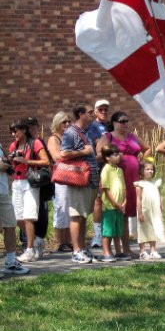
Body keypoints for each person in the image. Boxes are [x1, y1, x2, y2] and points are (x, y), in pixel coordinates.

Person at [97, 111, 151, 258]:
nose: (125, 124)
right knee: (117, 213)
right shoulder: (107, 137)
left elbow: (147, 148)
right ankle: (116, 250)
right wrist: (114, 157)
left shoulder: (132, 136)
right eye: (122, 121)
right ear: (114, 123)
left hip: (132, 177)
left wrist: (142, 164)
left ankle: (125, 249)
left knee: (126, 214)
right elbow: (99, 155)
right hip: (115, 178)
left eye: (127, 121)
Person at [60, 103, 100, 264]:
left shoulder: (85, 132)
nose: (93, 115)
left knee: (83, 216)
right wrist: (84, 152)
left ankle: (83, 249)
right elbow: (64, 153)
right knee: (76, 216)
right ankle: (76, 251)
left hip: (89, 180)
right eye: (90, 112)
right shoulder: (71, 132)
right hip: (78, 180)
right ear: (81, 114)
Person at [9, 118, 51, 262]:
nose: (13, 134)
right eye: (11, 131)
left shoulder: (35, 143)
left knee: (29, 217)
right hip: (17, 182)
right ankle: (37, 241)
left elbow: (46, 162)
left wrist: (26, 161)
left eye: (15, 130)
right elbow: (13, 166)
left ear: (24, 130)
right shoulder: (13, 146)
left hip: (30, 182)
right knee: (18, 218)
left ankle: (30, 249)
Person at [0, 140, 30, 276]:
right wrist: (4, 166)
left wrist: (7, 162)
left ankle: (11, 262)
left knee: (10, 225)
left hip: (3, 191)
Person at [46, 112, 73, 252]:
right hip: (61, 178)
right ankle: (61, 242)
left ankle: (69, 240)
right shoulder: (54, 139)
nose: (67, 124)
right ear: (57, 123)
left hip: (73, 178)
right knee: (61, 207)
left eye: (69, 121)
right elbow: (57, 157)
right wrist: (74, 155)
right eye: (64, 122)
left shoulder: (71, 137)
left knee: (70, 208)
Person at [86, 99, 110, 249]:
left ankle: (109, 232)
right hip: (98, 168)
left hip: (111, 168)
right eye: (101, 109)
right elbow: (96, 150)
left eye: (106, 109)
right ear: (95, 111)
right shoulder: (93, 127)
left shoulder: (109, 125)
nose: (104, 112)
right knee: (98, 201)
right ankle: (98, 235)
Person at [99, 144, 126, 263]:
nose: (118, 156)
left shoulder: (119, 170)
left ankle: (118, 252)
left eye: (118, 153)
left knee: (117, 230)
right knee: (108, 230)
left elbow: (124, 188)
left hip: (120, 206)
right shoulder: (106, 170)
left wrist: (124, 202)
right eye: (114, 154)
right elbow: (106, 189)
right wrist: (115, 203)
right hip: (110, 206)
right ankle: (106, 253)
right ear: (107, 157)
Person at [135, 157, 165, 260]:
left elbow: (160, 195)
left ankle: (153, 250)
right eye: (147, 169)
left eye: (151, 169)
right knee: (143, 229)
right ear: (141, 171)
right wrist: (140, 213)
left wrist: (161, 203)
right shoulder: (139, 184)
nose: (150, 171)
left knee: (154, 228)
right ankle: (142, 251)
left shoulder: (155, 184)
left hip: (154, 210)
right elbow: (138, 199)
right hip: (144, 210)